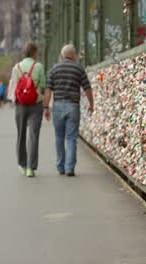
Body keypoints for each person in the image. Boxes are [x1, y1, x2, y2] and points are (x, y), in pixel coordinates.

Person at [43, 44, 94, 177]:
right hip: (73, 105)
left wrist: (46, 107)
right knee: (71, 138)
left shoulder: (54, 69)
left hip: (58, 105)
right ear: (73, 55)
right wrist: (91, 104)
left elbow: (48, 89)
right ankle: (70, 168)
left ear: (62, 55)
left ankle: (61, 167)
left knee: (59, 137)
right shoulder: (78, 68)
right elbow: (87, 88)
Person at [8, 43, 46, 177]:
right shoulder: (39, 66)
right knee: (33, 136)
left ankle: (22, 164)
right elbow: (42, 86)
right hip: (36, 105)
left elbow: (13, 86)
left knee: (21, 134)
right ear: (34, 53)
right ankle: (31, 168)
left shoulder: (16, 67)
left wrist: (14, 101)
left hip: (20, 105)